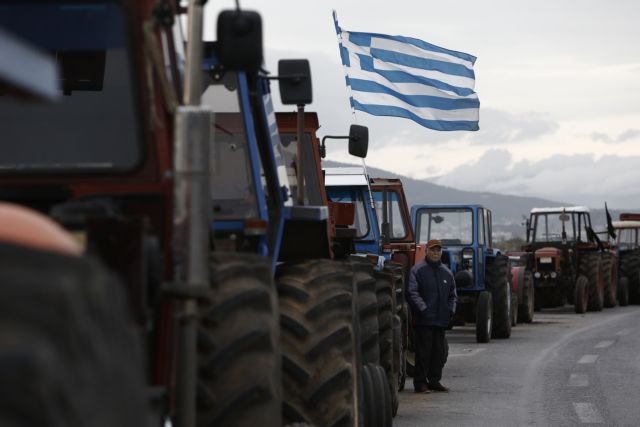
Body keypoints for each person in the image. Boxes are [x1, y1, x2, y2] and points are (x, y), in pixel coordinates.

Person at [406, 239, 457, 393]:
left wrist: (450, 311)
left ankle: (434, 381)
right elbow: (412, 292)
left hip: (441, 320)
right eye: (433, 250)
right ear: (426, 250)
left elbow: (453, 295)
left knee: (439, 353)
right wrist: (423, 309)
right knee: (423, 353)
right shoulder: (417, 270)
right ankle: (420, 383)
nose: (436, 253)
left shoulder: (446, 272)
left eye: (438, 250)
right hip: (424, 320)